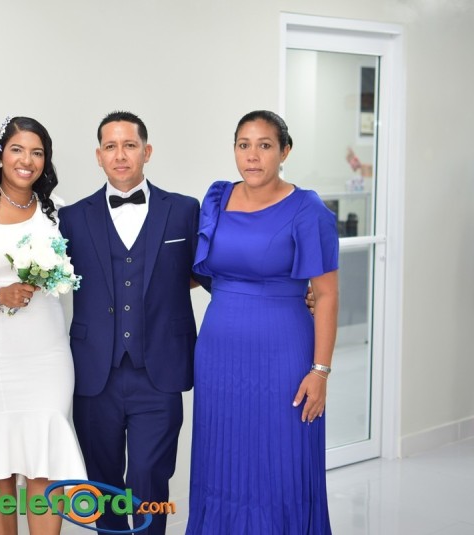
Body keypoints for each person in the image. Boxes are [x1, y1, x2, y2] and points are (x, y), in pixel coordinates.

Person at [186, 110, 338, 534]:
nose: (252, 156)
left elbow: (326, 295)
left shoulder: (308, 210)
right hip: (218, 355)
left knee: (282, 461)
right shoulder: (217, 198)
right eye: (244, 145)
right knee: (221, 459)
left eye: (265, 145)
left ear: (285, 151)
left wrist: (320, 371)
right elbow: (197, 273)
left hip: (283, 356)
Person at [58, 111, 209, 535]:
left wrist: (293, 293)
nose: (120, 155)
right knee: (102, 483)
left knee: (149, 478)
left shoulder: (183, 210)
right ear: (98, 156)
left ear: (147, 151)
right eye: (110, 146)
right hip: (95, 372)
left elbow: (208, 271)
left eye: (129, 145)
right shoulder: (71, 217)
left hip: (159, 370)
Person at [0, 116, 87, 535]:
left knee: (46, 457)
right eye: (17, 150)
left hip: (46, 352)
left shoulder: (56, 211)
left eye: (37, 152)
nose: (27, 160)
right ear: (0, 155)